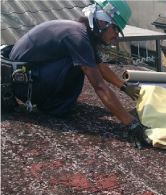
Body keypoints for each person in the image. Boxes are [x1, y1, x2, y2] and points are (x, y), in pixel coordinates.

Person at [8, 0, 150, 149]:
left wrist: (124, 86)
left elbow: (101, 67)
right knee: (78, 64)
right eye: (115, 29)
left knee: (84, 62)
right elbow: (100, 87)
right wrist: (131, 123)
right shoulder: (78, 39)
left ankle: (54, 102)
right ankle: (52, 106)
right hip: (24, 85)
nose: (116, 36)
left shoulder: (83, 34)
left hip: (28, 77)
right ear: (102, 22)